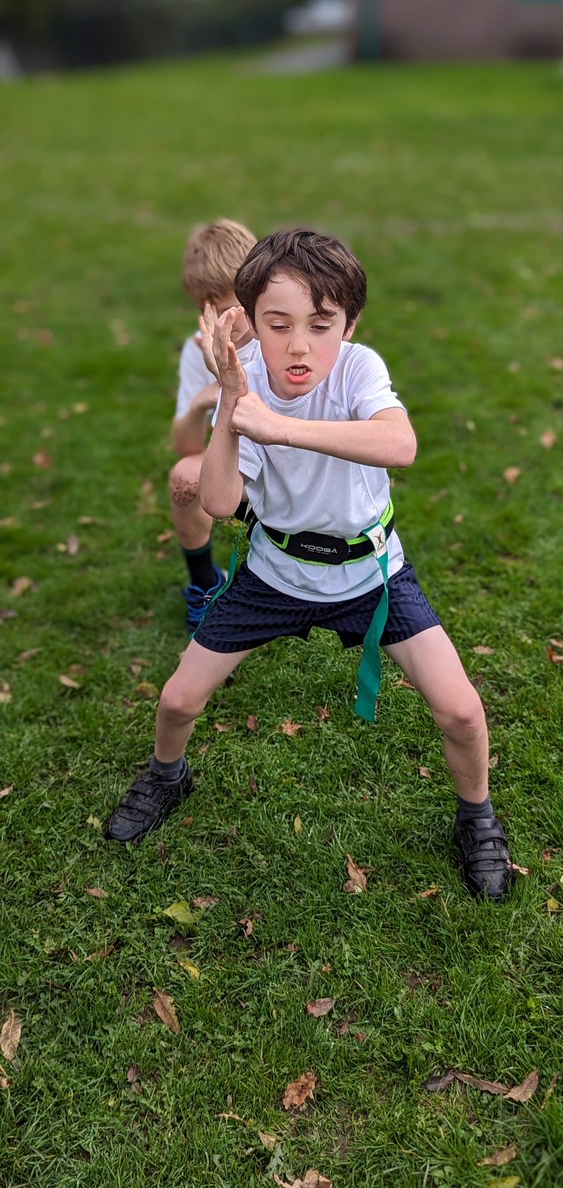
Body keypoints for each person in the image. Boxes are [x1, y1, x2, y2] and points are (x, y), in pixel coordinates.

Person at [107, 228, 514, 902]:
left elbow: (400, 443)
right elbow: (217, 499)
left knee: (462, 713)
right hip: (275, 575)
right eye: (278, 324)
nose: (299, 344)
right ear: (250, 325)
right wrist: (235, 401)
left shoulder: (357, 368)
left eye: (320, 325)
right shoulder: (249, 383)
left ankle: (477, 818)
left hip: (370, 575)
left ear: (348, 324)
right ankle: (167, 775)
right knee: (178, 698)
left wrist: (282, 426)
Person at [171, 218, 258, 628]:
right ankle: (205, 584)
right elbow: (187, 448)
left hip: (300, 471)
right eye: (212, 311)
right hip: (241, 477)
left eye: (234, 306)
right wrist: (199, 405)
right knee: (185, 477)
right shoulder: (198, 349)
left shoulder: (283, 334)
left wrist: (230, 386)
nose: (227, 322)